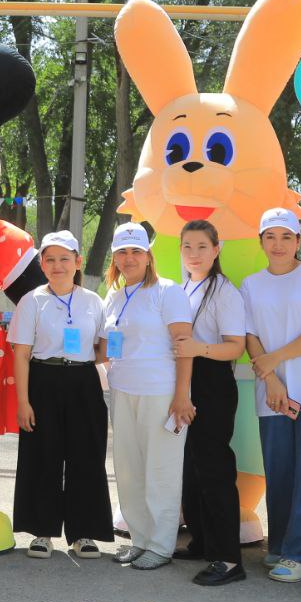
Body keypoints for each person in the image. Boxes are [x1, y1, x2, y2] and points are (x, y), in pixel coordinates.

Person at [240, 208, 301, 584]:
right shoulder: (251, 284)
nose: (278, 244)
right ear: (261, 242)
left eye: (286, 237)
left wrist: (274, 359)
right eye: (270, 237)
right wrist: (271, 379)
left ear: (298, 241)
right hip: (272, 392)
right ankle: (282, 545)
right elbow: (250, 335)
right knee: (279, 471)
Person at [8, 231, 113, 560]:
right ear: (41, 264)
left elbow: (102, 349)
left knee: (86, 456)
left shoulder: (93, 301)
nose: (57, 265)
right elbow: (21, 355)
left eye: (65, 258)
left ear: (78, 262)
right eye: (50, 259)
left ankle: (84, 533)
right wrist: (23, 402)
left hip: (83, 381)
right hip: (43, 379)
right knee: (43, 455)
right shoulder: (31, 301)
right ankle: (42, 532)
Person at [100, 222, 194, 570]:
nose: (129, 258)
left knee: (161, 469)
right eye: (122, 252)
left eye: (136, 251)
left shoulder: (167, 291)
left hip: (161, 392)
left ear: (148, 255)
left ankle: (161, 545)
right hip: (122, 391)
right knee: (129, 470)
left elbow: (184, 345)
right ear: (114, 257)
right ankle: (140, 539)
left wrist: (182, 396)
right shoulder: (114, 296)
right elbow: (104, 348)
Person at [171, 220, 247, 586]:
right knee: (191, 469)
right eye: (188, 246)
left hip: (213, 381)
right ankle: (202, 541)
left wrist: (197, 348)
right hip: (186, 379)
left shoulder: (224, 292)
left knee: (214, 470)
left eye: (202, 246)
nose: (194, 254)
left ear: (216, 250)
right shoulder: (184, 287)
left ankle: (228, 559)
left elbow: (236, 347)